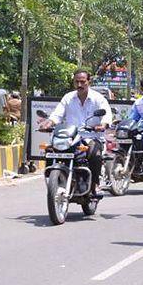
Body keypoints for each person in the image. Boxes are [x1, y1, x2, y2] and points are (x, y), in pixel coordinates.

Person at [40, 69, 112, 200]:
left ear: (88, 82)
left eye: (82, 82)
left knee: (94, 154)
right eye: (76, 82)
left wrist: (103, 125)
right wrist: (49, 122)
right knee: (50, 150)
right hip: (70, 137)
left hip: (91, 137)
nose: (79, 85)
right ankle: (54, 181)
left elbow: (107, 115)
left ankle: (95, 185)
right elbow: (57, 114)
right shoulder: (68, 98)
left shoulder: (98, 98)